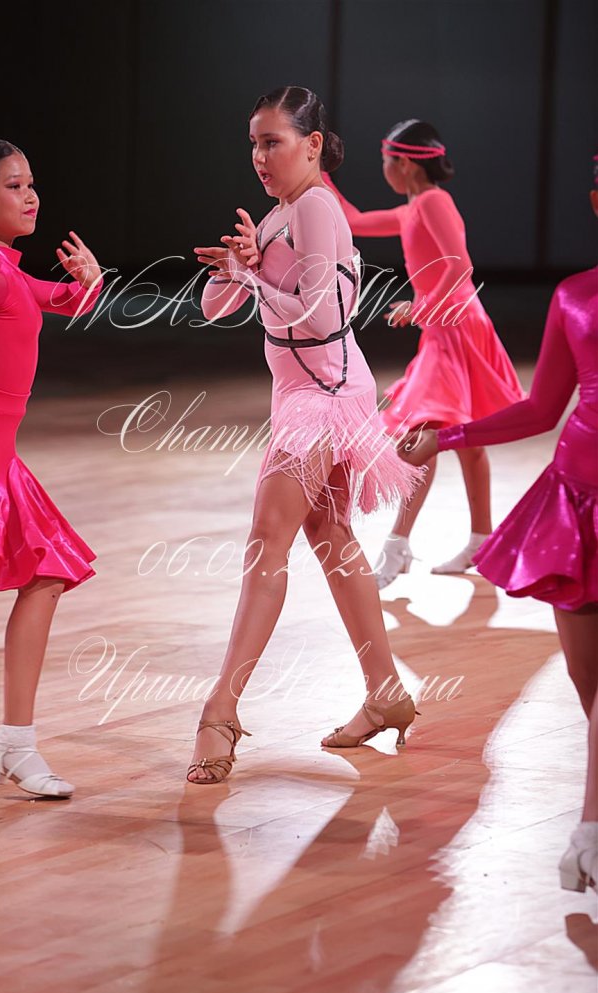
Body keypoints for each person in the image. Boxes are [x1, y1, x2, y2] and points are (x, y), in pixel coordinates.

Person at [188, 86, 423, 785]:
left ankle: (220, 712)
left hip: (324, 395)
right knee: (329, 534)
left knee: (270, 536)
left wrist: (253, 276)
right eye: (254, 144)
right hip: (311, 392)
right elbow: (211, 306)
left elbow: (319, 319)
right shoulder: (277, 215)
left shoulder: (317, 208)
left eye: (274, 142)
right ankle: (386, 693)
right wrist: (239, 268)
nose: (260, 156)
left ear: (313, 144)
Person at [399, 163, 598, 893]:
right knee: (588, 687)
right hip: (576, 501)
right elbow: (541, 409)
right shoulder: (574, 296)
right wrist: (446, 437)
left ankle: (588, 831)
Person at [0, 139, 103, 797]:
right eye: (13, 186)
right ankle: (14, 742)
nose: (30, 197)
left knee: (47, 575)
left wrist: (89, 281)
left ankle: (15, 743)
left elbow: (65, 301)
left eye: (31, 183)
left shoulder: (1, 268)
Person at [322, 120, 524, 586]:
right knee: (465, 439)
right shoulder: (412, 208)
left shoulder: (434, 201)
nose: (384, 170)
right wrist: (318, 174)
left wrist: (420, 306)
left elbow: (460, 267)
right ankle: (479, 540)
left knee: (422, 435)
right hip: (445, 327)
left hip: (457, 325)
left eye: (385, 162)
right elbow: (353, 220)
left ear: (406, 164)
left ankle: (398, 546)